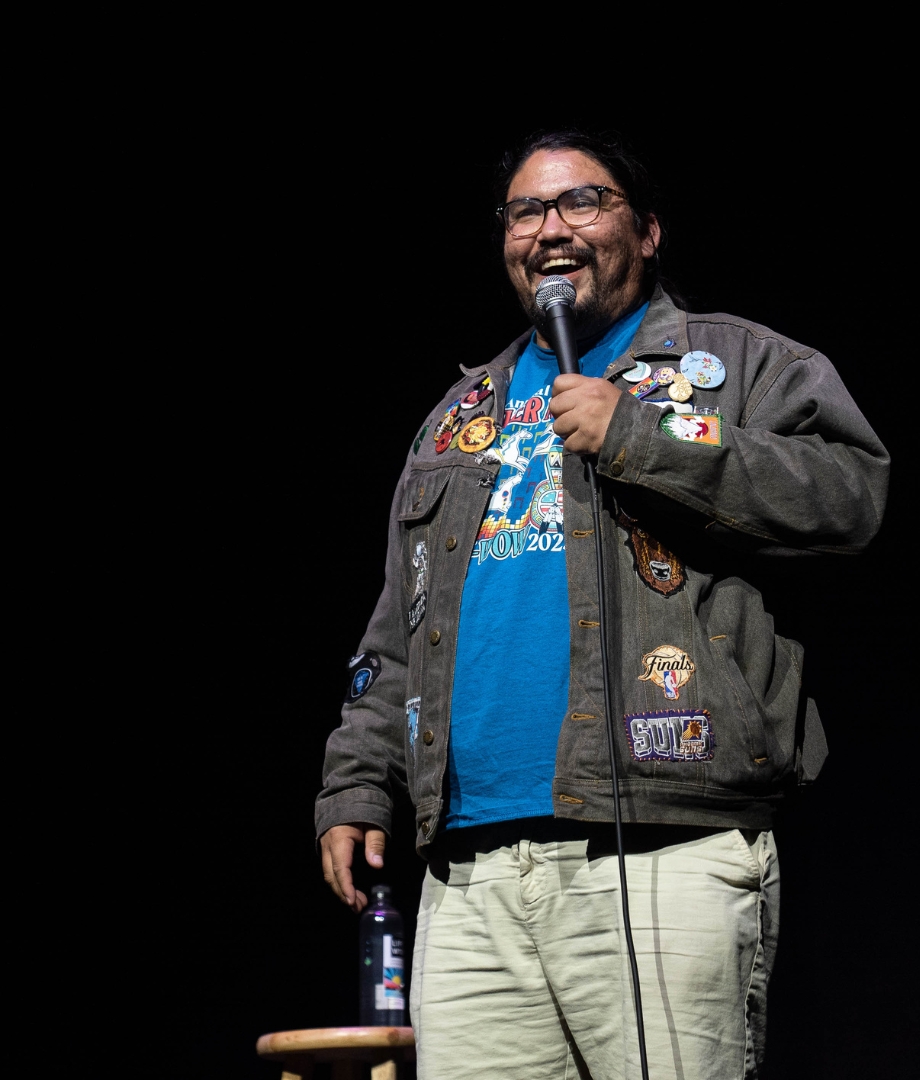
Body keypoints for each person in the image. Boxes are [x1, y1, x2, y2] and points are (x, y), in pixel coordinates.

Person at [317, 130, 889, 1079]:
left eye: (583, 202)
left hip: (663, 848)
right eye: (527, 211)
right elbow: (402, 625)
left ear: (649, 229)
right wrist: (358, 779)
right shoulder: (459, 413)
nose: (551, 229)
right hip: (468, 875)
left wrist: (642, 436)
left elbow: (851, 496)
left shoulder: (742, 363)